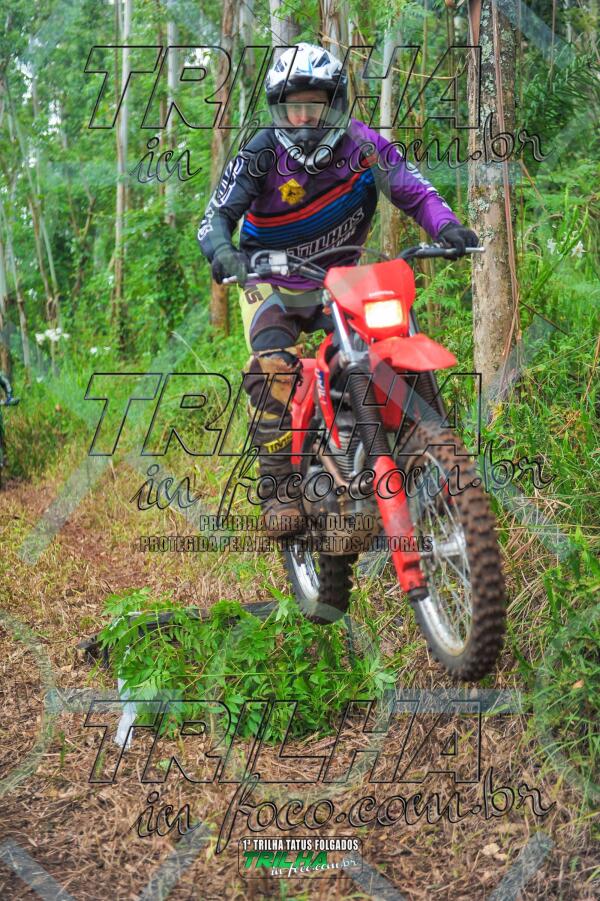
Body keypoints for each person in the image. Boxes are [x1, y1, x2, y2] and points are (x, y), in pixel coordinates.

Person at [198, 42, 478, 536]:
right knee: (273, 366)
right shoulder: (261, 152)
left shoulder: (363, 145)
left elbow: (415, 191)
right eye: (294, 106)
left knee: (387, 349)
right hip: (270, 281)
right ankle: (279, 490)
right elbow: (215, 217)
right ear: (278, 109)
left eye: (316, 104)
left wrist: (448, 227)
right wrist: (223, 253)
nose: (306, 117)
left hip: (341, 281)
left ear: (337, 103)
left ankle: (424, 461)